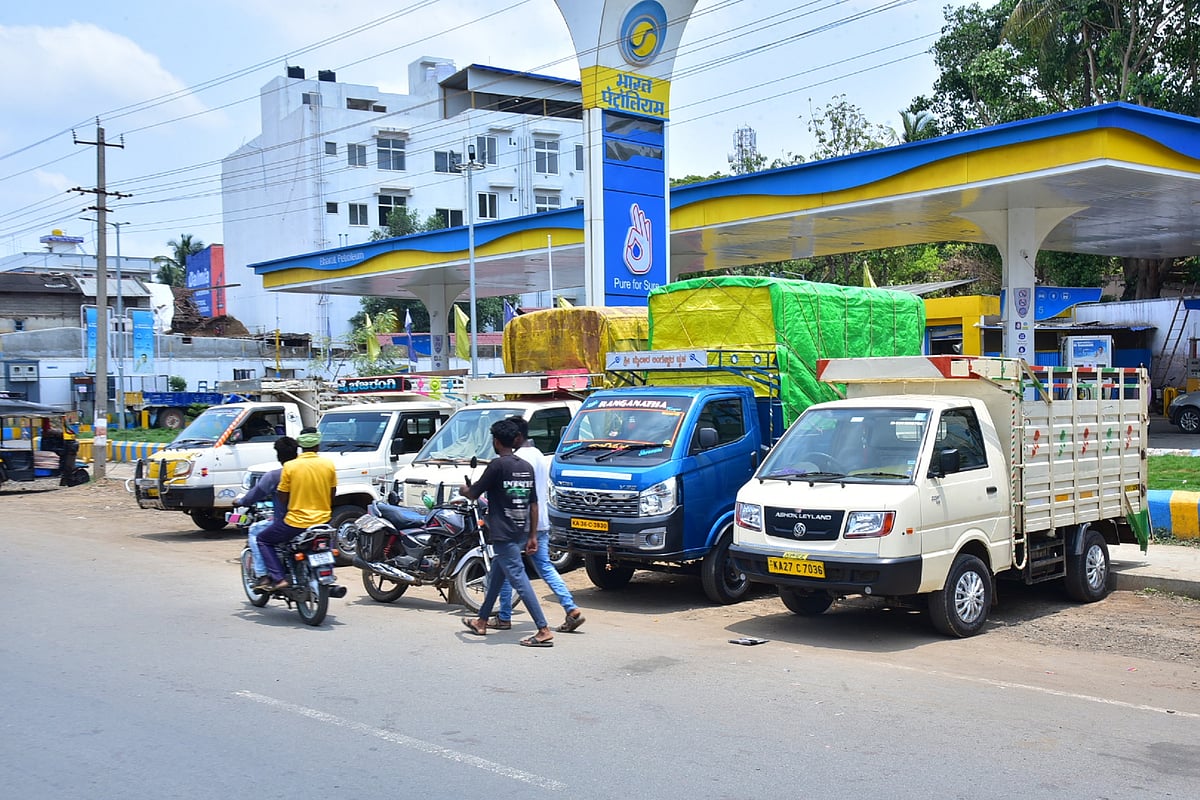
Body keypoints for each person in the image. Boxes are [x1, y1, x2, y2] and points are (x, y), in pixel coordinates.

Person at [459, 418, 554, 647]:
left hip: (503, 533)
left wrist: (464, 490)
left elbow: (474, 493)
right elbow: (533, 504)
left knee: (520, 581)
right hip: (521, 530)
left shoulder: (497, 466)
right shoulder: (525, 467)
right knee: (497, 577)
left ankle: (543, 629)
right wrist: (531, 536)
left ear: (496, 441)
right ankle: (482, 621)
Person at [491, 416, 584, 633]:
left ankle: (504, 616)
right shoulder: (539, 456)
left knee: (506, 567)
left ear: (516, 437)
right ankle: (570, 607)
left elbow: (516, 494)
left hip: (521, 523)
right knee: (545, 567)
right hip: (541, 521)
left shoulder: (518, 460)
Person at [254, 427, 337, 591]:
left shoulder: (290, 467)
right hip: (323, 521)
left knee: (263, 539)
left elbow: (282, 496)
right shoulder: (329, 465)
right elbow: (332, 493)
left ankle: (278, 578)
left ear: (301, 445)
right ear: (318, 445)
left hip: (296, 523)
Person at [236, 436, 298, 589]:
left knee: (257, 533)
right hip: (318, 518)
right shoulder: (310, 472)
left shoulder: (275, 475)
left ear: (278, 455)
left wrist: (241, 501)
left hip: (288, 522)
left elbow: (254, 494)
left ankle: (265, 576)